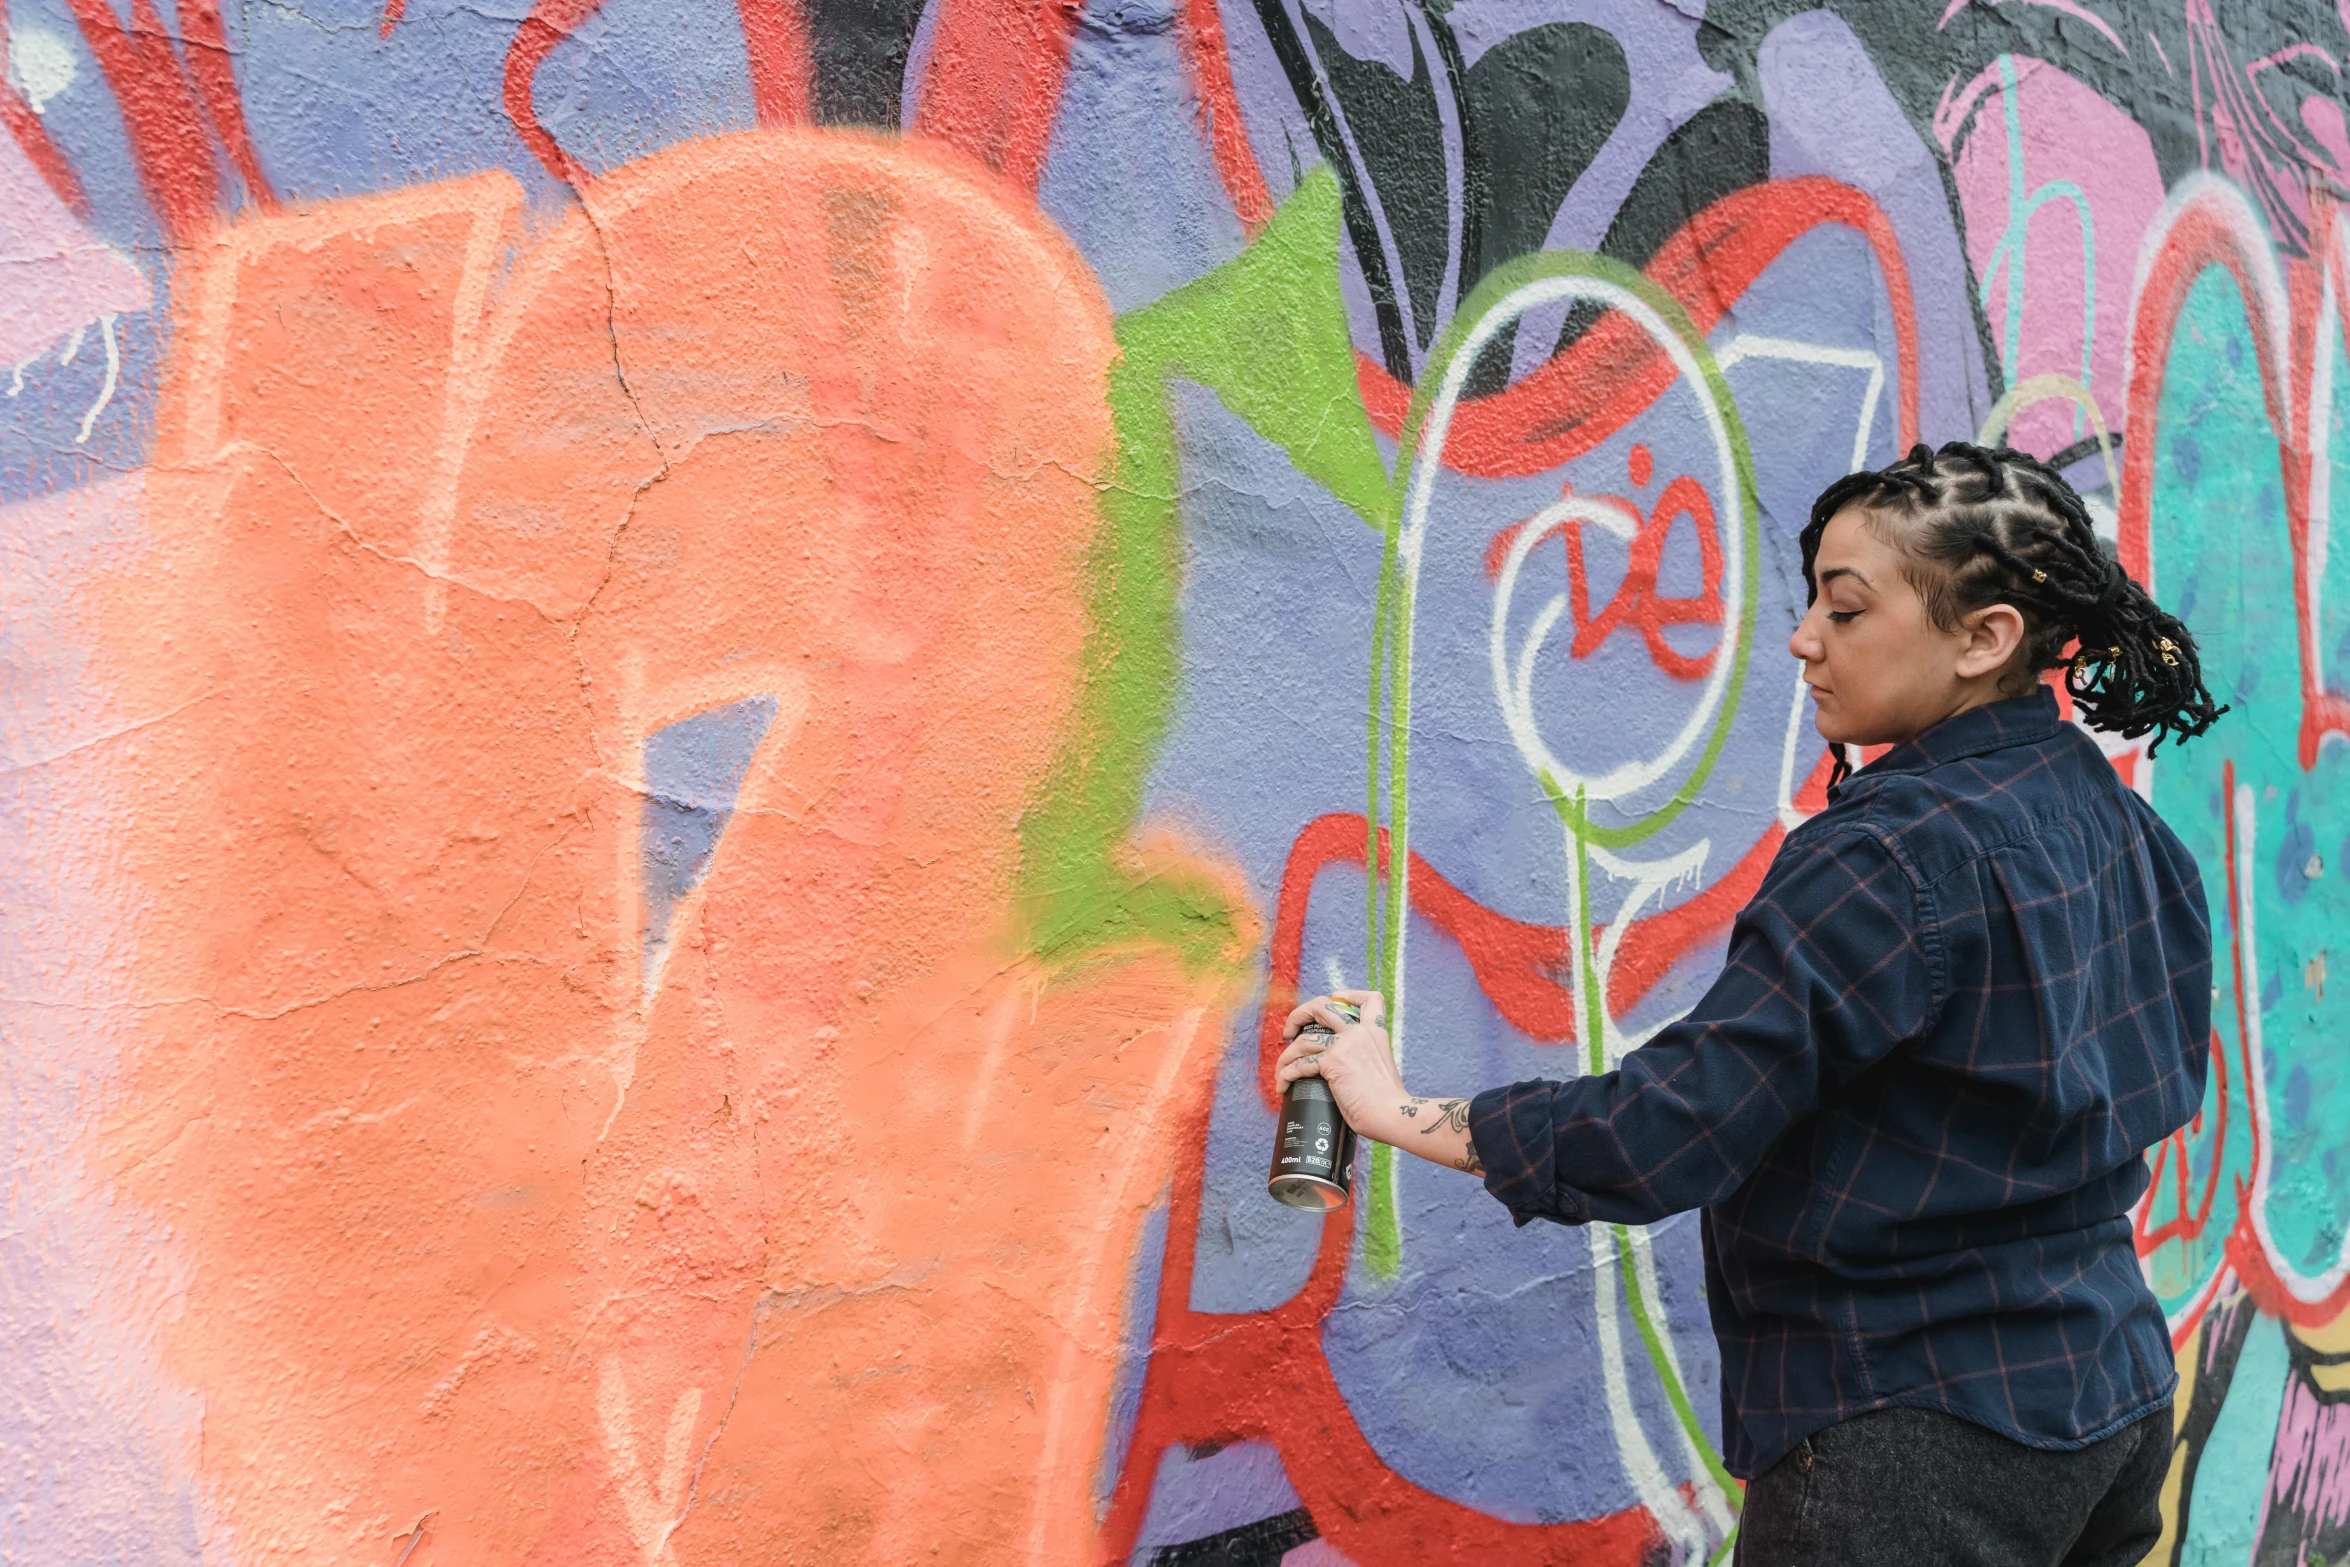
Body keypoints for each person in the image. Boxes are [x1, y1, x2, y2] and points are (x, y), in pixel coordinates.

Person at [1277, 442, 2226, 1567]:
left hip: (1917, 1444)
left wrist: (1391, 1108)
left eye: (1846, 608)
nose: (1802, 639)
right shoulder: (2121, 827)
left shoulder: (1886, 853)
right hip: (2109, 1404)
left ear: (1984, 640)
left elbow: (1659, 1135)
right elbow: (2156, 1090)